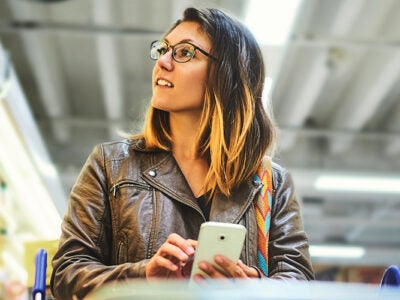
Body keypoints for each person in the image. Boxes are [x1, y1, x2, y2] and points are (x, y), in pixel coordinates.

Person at [50, 7, 315, 299]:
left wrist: (256, 289)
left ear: (227, 75)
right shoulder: (111, 166)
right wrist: (142, 276)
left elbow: (299, 282)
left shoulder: (271, 183)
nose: (163, 61)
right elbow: (66, 274)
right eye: (163, 49)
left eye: (185, 53)